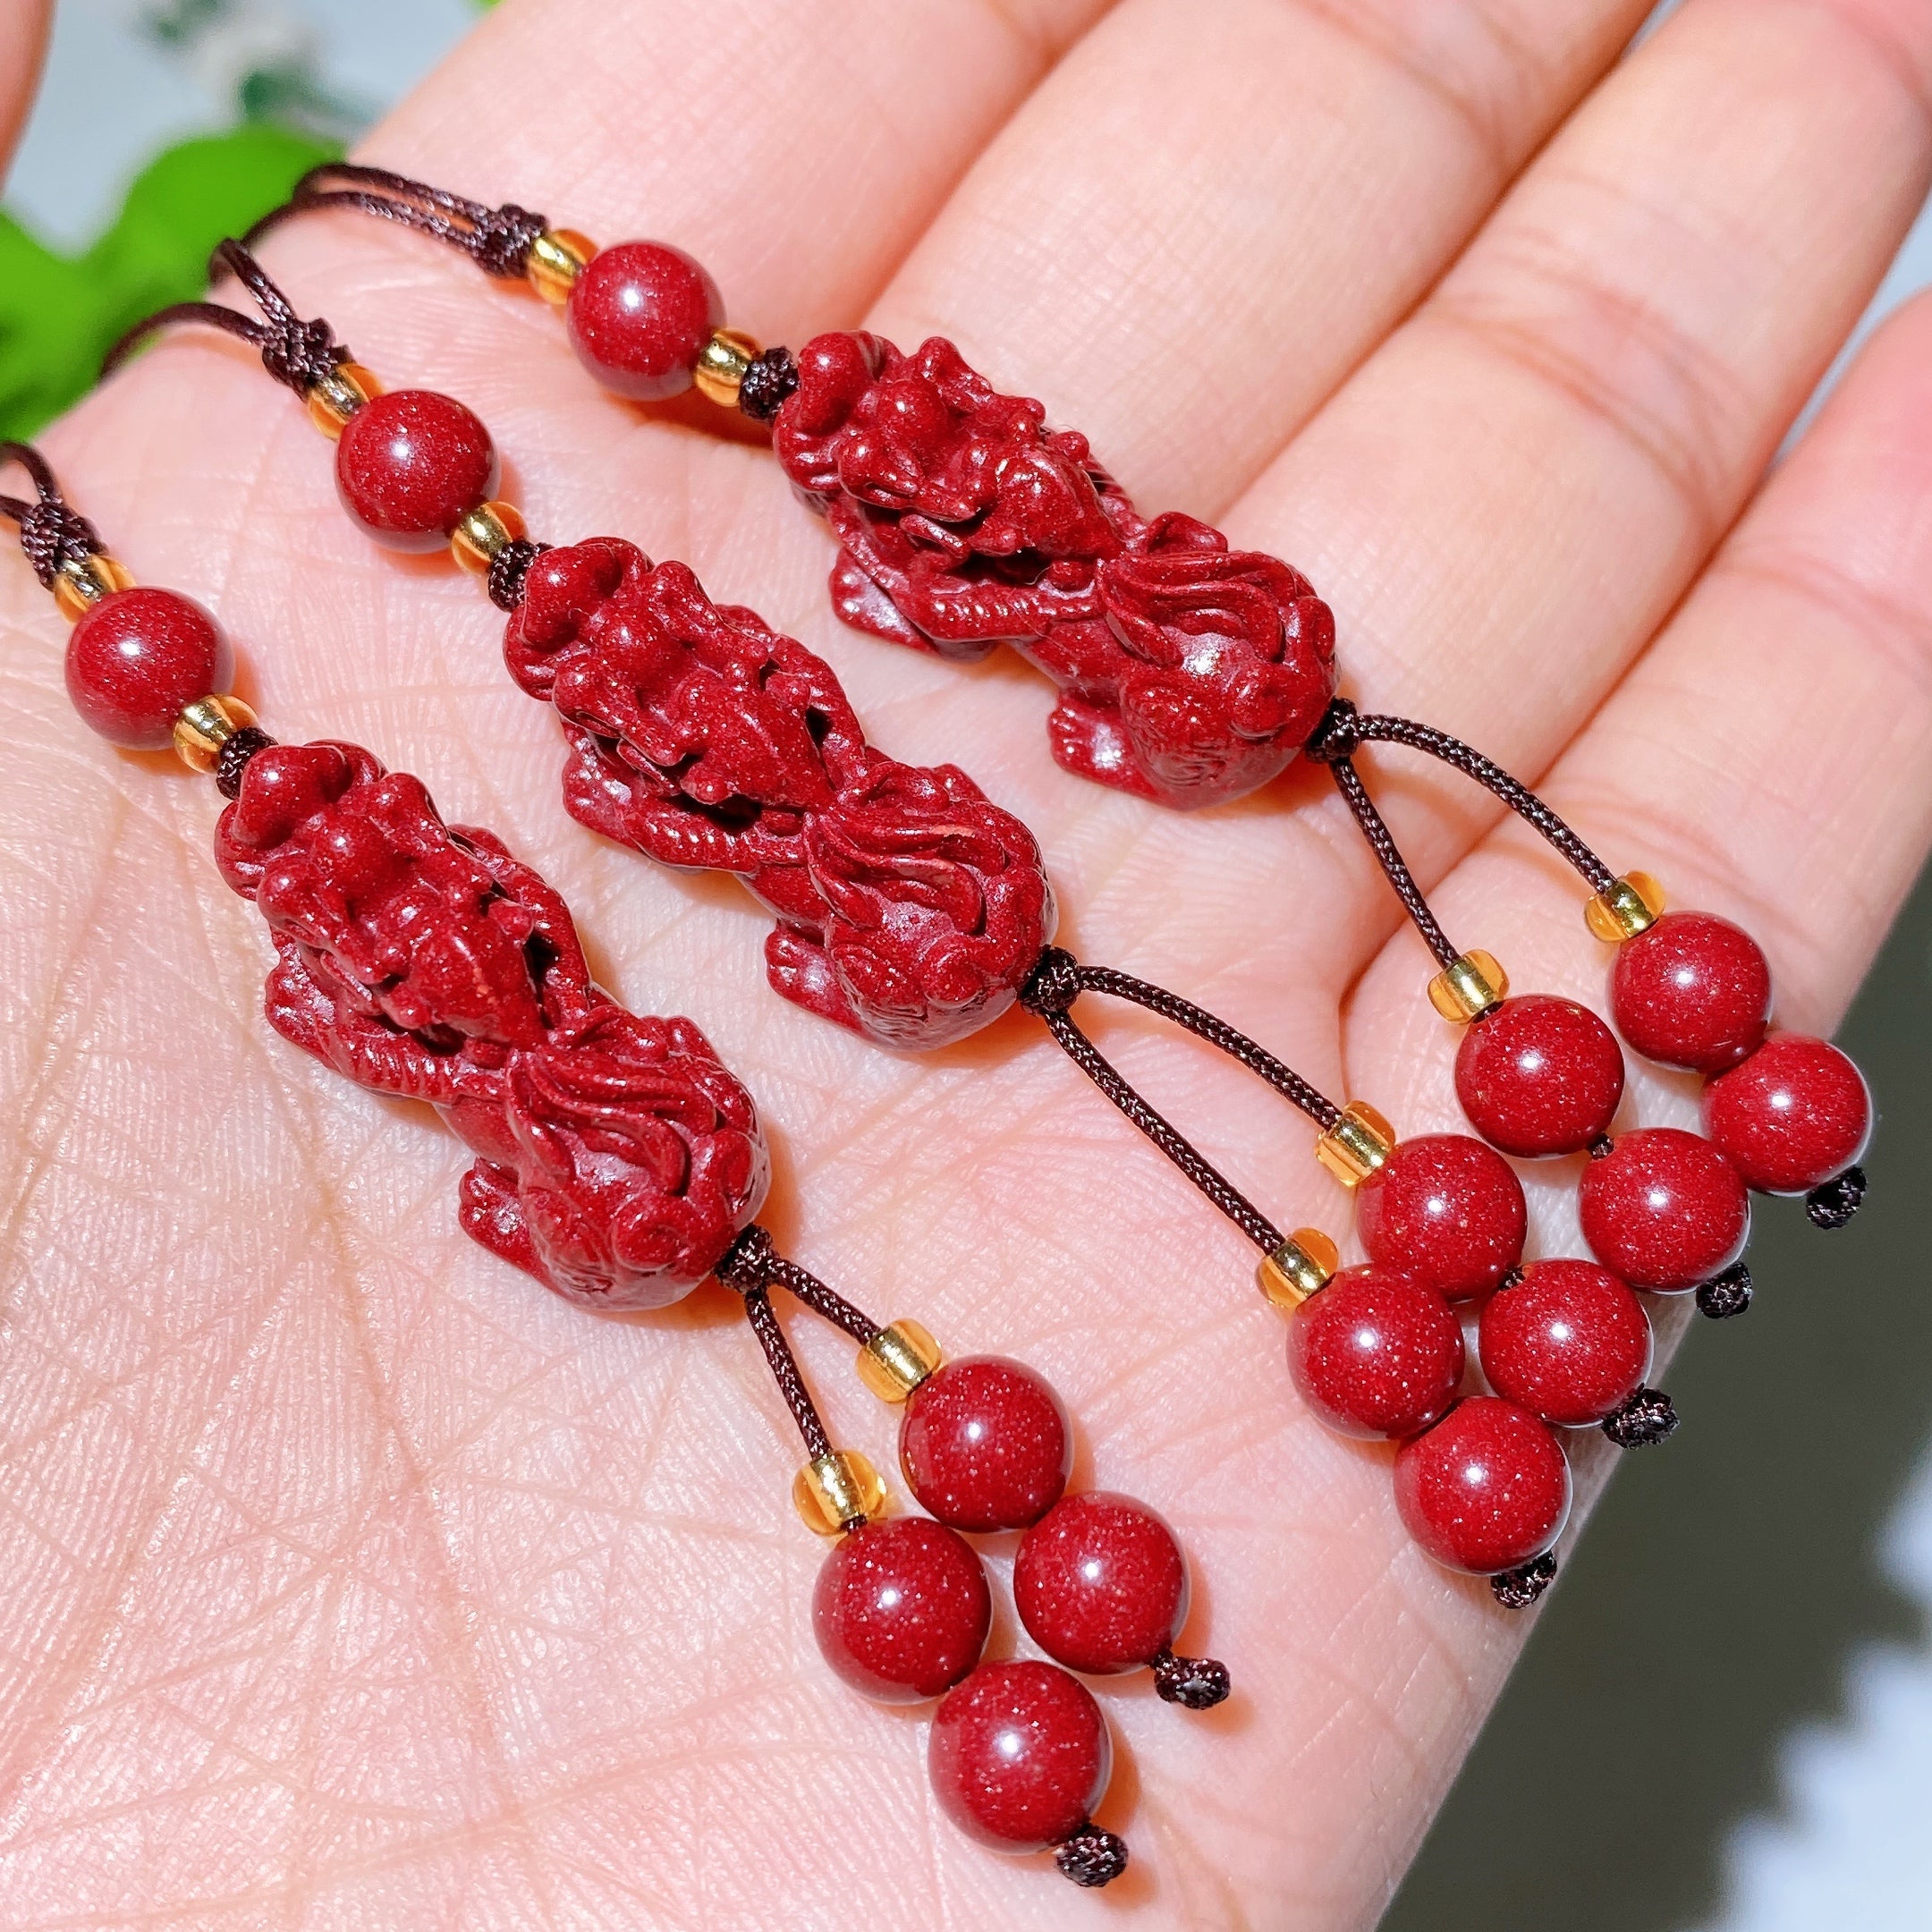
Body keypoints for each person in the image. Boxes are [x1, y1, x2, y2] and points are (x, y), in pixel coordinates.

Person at [1, 0, 1928, 1923]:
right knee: (1197, 1097)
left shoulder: (706, 742)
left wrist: (930, 787)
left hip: (909, 916)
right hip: (897, 921)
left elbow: (747, 730)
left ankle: (1521, 1189)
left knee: (1196, 1105)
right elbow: (697, 784)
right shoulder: (671, 789)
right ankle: (1508, 1182)